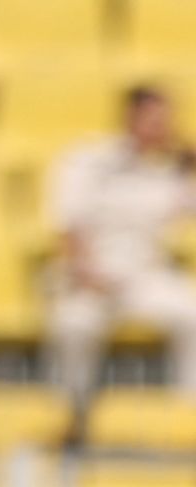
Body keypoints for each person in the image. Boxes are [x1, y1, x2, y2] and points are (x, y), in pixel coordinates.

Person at [46, 83, 196, 405]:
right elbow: (68, 224)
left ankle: (190, 414)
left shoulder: (166, 173)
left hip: (142, 278)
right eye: (155, 120)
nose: (161, 128)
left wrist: (189, 155)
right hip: (87, 276)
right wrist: (86, 272)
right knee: (75, 326)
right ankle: (72, 413)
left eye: (166, 120)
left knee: (192, 312)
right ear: (131, 117)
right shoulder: (87, 159)